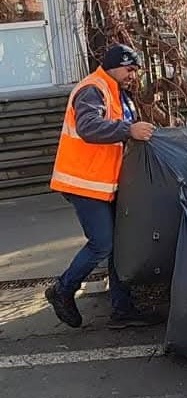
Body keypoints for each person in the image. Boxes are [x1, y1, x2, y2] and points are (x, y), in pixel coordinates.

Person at [46, 44, 159, 330]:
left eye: (135, 71)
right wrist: (128, 130)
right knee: (103, 243)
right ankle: (62, 289)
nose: (133, 75)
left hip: (101, 183)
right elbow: (88, 126)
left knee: (116, 245)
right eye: (129, 69)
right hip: (83, 183)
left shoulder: (117, 93)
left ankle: (123, 309)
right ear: (114, 65)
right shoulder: (93, 89)